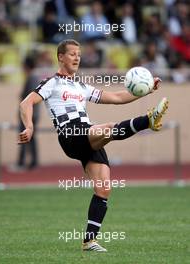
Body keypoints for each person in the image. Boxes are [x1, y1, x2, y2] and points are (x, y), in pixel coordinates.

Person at [18, 39, 168, 252]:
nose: (77, 57)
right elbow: (26, 103)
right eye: (72, 54)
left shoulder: (81, 86)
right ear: (61, 57)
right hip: (71, 132)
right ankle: (147, 121)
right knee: (107, 128)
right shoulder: (52, 82)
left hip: (88, 135)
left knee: (104, 188)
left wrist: (147, 90)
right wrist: (29, 127)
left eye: (79, 54)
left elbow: (116, 97)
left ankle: (89, 241)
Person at [17, 55, 40, 170]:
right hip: (32, 114)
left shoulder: (32, 78)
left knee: (26, 137)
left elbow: (30, 99)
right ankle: (32, 162)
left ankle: (23, 163)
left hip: (29, 114)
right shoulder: (34, 77)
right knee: (30, 138)